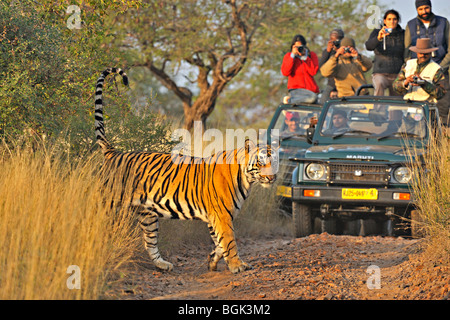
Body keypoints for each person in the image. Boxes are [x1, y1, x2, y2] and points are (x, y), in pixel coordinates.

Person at [404, 0, 450, 126]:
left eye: (426, 8)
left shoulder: (443, 22)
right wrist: (413, 69)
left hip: (442, 68)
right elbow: (407, 50)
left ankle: (441, 140)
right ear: (417, 10)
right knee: (417, 108)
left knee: (443, 107)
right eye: (421, 9)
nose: (424, 11)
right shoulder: (411, 24)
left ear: (430, 7)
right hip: (418, 70)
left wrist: (440, 68)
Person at [393, 38, 446, 102]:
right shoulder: (408, 64)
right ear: (417, 53)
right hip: (408, 105)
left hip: (426, 106)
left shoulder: (436, 69)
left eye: (426, 53)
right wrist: (406, 82)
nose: (423, 55)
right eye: (421, 53)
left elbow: (441, 93)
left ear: (430, 53)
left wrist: (424, 84)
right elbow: (395, 86)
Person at [365, 9, 405, 96]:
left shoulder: (403, 34)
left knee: (396, 103)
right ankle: (378, 110)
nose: (392, 21)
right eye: (389, 19)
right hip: (380, 72)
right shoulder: (377, 32)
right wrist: (379, 37)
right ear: (385, 21)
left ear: (398, 21)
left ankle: (395, 110)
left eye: (394, 19)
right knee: (379, 84)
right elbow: (368, 46)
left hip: (397, 74)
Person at [281, 34, 320, 104]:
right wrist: (292, 56)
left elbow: (313, 72)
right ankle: (289, 101)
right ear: (292, 47)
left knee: (319, 100)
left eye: (300, 47)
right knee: (312, 98)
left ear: (305, 46)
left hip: (311, 91)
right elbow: (285, 72)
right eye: (296, 47)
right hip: (296, 90)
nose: (299, 49)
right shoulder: (288, 56)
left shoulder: (311, 55)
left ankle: (293, 100)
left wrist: (306, 58)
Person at [319, 28, 345, 103]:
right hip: (331, 84)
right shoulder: (328, 51)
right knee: (322, 104)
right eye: (332, 40)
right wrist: (328, 51)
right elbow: (321, 67)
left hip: (344, 84)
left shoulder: (345, 51)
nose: (335, 43)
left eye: (337, 40)